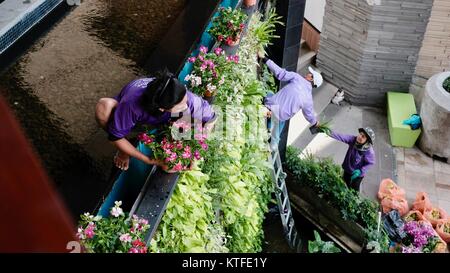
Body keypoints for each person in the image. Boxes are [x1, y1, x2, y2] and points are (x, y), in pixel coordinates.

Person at [95, 70, 216, 171]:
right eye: (179, 105)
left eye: (184, 101)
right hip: (134, 117)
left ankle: (169, 134)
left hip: (163, 118)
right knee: (103, 107)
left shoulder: (187, 99)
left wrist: (194, 150)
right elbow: (116, 137)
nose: (185, 106)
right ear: (162, 108)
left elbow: (211, 119)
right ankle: (123, 152)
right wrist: (148, 160)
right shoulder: (131, 104)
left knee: (190, 118)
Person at [258, 54, 323, 149]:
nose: (307, 73)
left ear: (311, 78)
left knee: (270, 93)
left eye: (310, 73)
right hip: (280, 117)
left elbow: (280, 73)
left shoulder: (297, 78)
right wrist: (315, 123)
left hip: (271, 107)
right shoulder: (308, 100)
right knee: (281, 121)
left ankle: (270, 127)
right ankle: (273, 144)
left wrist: (264, 59)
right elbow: (309, 115)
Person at [326, 127, 376, 192]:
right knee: (346, 180)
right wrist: (327, 131)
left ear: (367, 141)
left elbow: (371, 163)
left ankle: (354, 197)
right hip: (348, 169)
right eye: (360, 134)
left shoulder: (369, 151)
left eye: (363, 136)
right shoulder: (353, 140)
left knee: (355, 188)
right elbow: (341, 136)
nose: (360, 136)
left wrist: (361, 171)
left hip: (357, 174)